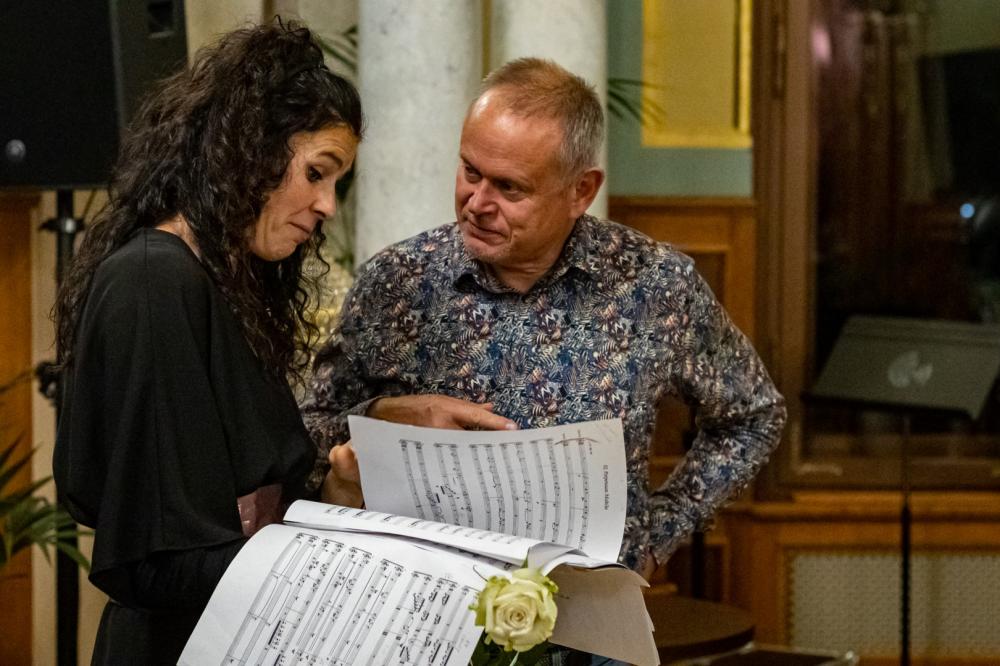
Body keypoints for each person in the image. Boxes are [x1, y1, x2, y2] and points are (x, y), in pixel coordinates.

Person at [301, 57, 785, 665]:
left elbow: (753, 415)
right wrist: (384, 414)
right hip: (428, 627)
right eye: (470, 171)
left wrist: (659, 531)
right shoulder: (398, 282)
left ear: (581, 191)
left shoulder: (654, 285)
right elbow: (306, 433)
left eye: (510, 188)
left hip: (593, 636)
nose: (477, 202)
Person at [52, 22, 362, 665]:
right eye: (316, 172)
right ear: (252, 150)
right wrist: (342, 570)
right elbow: (155, 561)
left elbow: (242, 506)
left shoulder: (223, 284)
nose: (327, 205)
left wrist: (336, 498)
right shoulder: (154, 281)